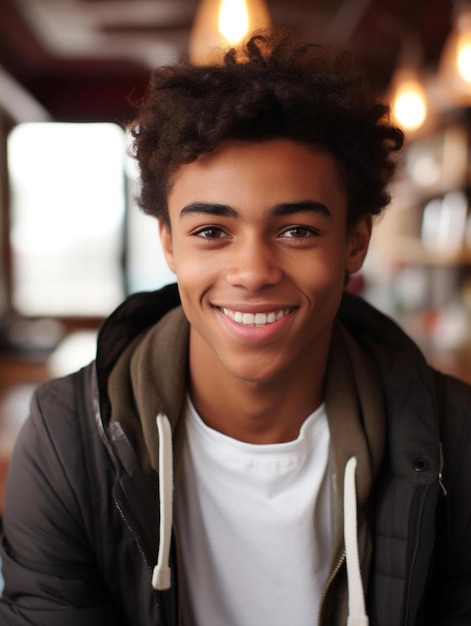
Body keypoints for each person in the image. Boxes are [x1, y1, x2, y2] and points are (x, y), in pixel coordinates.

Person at [0, 30, 470, 626]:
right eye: (210, 232)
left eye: (297, 230)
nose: (252, 273)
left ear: (355, 242)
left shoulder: (455, 436)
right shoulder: (69, 439)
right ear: (168, 243)